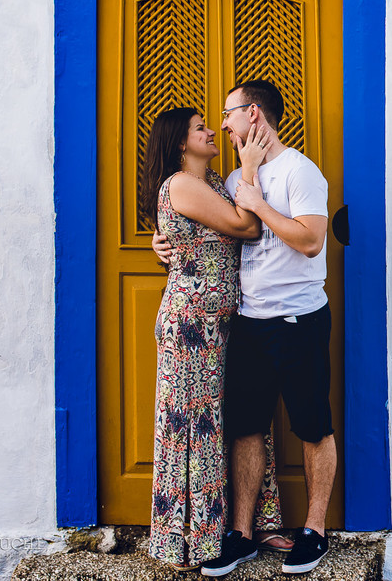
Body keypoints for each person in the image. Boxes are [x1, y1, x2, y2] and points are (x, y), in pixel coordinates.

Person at [155, 81, 337, 577]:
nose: (222, 123)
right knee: (246, 427)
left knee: (312, 425)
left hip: (297, 318)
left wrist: (259, 204)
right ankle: (239, 533)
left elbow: (311, 241)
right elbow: (198, 226)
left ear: (252, 114)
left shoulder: (300, 171)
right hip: (249, 322)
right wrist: (161, 241)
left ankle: (314, 530)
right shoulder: (234, 177)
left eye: (227, 113)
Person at [140, 107, 287, 571]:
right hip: (191, 326)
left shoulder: (215, 183)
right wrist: (250, 168)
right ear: (181, 143)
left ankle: (253, 524)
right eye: (200, 127)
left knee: (238, 419)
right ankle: (188, 542)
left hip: (225, 322)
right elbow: (247, 226)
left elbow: (199, 236)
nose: (211, 131)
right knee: (195, 426)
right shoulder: (182, 184)